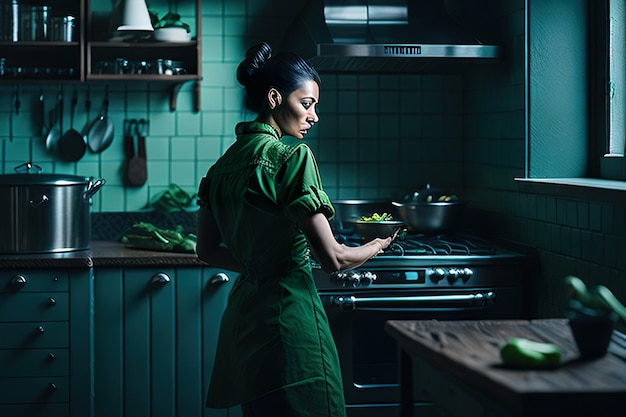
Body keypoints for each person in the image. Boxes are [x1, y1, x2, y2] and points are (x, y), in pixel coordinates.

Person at [196, 42, 397, 417]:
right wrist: (378, 244)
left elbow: (206, 251)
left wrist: (261, 263)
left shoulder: (220, 169)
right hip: (291, 324)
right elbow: (334, 258)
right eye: (307, 104)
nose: (314, 116)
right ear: (275, 98)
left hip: (245, 326)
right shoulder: (291, 156)